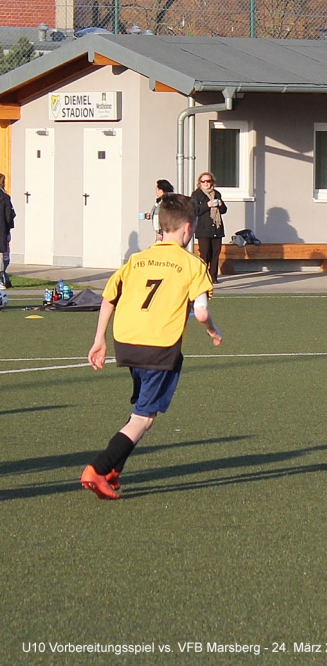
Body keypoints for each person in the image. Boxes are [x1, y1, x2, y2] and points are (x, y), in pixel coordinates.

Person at [79, 194, 222, 500]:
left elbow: (109, 297)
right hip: (159, 346)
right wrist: (213, 331)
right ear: (187, 229)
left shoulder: (137, 259)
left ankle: (114, 471)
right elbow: (201, 312)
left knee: (144, 413)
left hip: (127, 343)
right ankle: (98, 468)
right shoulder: (192, 265)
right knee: (143, 417)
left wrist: (99, 340)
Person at [191, 171, 227, 283]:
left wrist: (221, 205)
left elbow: (224, 210)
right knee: (205, 254)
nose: (206, 183)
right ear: (200, 183)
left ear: (212, 182)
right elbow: (194, 210)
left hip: (217, 227)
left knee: (215, 254)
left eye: (208, 181)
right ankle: (203, 277)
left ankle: (214, 276)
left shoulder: (216, 194)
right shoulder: (196, 194)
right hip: (203, 229)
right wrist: (207, 205)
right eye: (203, 181)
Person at [0, 173, 15, 289]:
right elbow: (9, 216)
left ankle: (5, 279)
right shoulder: (5, 197)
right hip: (2, 231)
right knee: (4, 257)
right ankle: (2, 280)